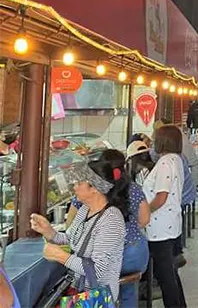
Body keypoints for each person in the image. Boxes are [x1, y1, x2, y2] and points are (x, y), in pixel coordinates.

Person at [31, 151, 127, 300]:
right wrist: (49, 232)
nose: (74, 187)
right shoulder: (84, 210)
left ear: (94, 188)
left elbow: (97, 271)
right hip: (77, 290)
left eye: (78, 183)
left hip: (95, 297)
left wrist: (61, 256)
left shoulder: (111, 219)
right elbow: (70, 238)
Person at [65, 150, 151, 307]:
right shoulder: (133, 188)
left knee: (96, 275)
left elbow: (70, 222)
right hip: (138, 253)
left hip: (115, 260)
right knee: (127, 289)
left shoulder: (91, 191)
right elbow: (145, 219)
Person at [143, 125, 187, 308]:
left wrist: (145, 212)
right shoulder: (176, 159)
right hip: (171, 224)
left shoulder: (164, 163)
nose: (153, 142)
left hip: (160, 228)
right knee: (170, 273)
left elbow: (161, 197)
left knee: (165, 276)